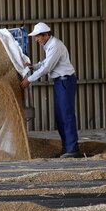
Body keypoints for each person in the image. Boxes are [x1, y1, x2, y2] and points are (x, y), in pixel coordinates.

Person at [20, 22, 81, 158]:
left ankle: (72, 149)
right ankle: (67, 148)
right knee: (60, 116)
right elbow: (45, 63)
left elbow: (47, 67)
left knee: (66, 115)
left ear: (46, 35)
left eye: (38, 37)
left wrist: (29, 80)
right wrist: (32, 67)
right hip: (60, 82)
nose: (36, 40)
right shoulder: (49, 45)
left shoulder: (55, 46)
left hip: (65, 81)